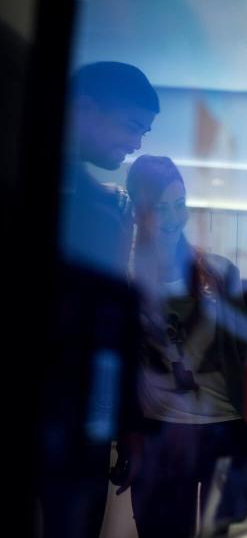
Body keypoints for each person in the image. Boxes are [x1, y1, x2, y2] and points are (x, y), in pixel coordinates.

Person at [121, 155, 247, 537]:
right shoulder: (123, 276)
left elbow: (239, 360)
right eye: (159, 209)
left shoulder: (219, 273)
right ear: (138, 211)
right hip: (159, 441)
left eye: (179, 205)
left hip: (228, 436)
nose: (172, 219)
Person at [37, 61, 159, 538]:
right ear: (85, 108)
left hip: (78, 420)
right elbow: (107, 327)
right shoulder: (87, 204)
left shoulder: (101, 203)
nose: (135, 144)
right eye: (132, 126)